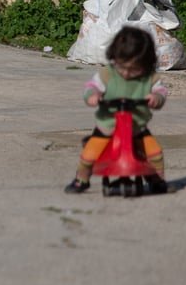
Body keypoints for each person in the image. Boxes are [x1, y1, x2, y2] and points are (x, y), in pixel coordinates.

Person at [65, 25, 170, 194]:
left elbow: (160, 91)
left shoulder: (149, 78)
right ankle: (81, 179)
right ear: (115, 58)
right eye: (122, 67)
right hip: (107, 125)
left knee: (155, 153)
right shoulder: (107, 74)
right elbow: (92, 86)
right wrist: (93, 95)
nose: (127, 74)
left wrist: (156, 98)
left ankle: (157, 180)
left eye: (134, 69)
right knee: (89, 155)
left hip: (137, 127)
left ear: (146, 62)